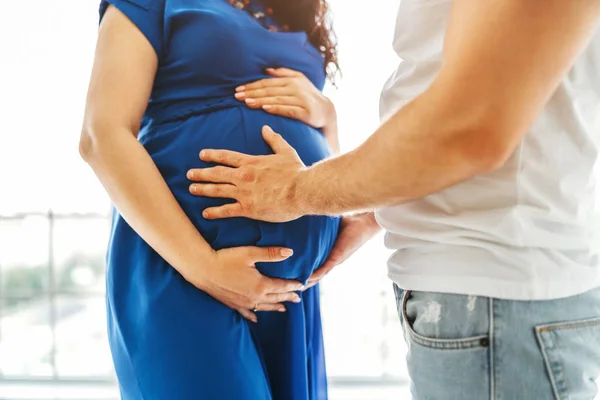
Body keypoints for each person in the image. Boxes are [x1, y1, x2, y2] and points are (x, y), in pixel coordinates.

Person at [189, 1, 600, 398]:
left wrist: (293, 192)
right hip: (480, 296)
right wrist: (379, 211)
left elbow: (473, 126)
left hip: (496, 296)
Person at [79, 1, 374, 399]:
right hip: (183, 266)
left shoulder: (286, 10)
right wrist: (204, 267)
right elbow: (101, 135)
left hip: (287, 292)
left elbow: (315, 158)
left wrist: (327, 117)